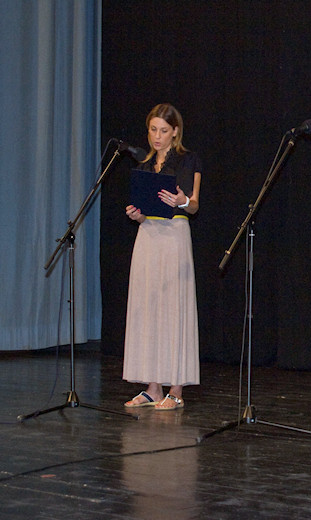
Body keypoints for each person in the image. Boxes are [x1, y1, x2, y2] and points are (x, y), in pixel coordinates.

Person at [123, 103, 202, 410]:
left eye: (164, 131)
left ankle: (176, 389)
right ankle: (153, 387)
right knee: (148, 308)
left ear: (175, 132)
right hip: (148, 236)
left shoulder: (188, 159)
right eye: (153, 130)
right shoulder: (144, 165)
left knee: (173, 308)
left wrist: (182, 201)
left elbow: (194, 205)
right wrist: (137, 215)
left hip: (174, 236)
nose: (157, 136)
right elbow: (145, 209)